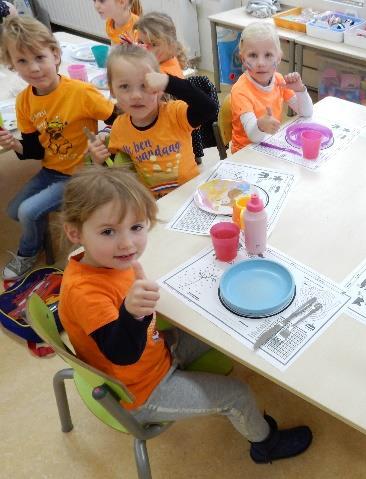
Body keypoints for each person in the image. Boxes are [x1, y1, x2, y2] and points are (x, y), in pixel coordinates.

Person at [59, 166, 313, 463]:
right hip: (143, 390)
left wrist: (143, 321)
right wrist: (132, 314)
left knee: (221, 328)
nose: (127, 243)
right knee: (237, 395)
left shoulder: (106, 261)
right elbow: (122, 353)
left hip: (156, 350)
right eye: (108, 232)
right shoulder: (85, 292)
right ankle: (265, 445)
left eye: (137, 228)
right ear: (74, 232)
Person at [0, 16, 116, 280]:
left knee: (27, 211)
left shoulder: (81, 92)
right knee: (13, 211)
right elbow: (34, 150)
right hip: (51, 170)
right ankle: (38, 237)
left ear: (55, 54)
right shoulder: (24, 101)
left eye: (40, 57)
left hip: (80, 175)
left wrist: (106, 145)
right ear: (12, 65)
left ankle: (27, 253)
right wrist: (14, 143)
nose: (34, 68)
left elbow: (118, 118)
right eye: (22, 61)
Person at [87, 44, 213, 199]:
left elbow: (209, 108)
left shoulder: (174, 114)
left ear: (159, 88)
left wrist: (169, 82)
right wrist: (98, 162)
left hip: (190, 196)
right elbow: (116, 176)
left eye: (144, 85)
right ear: (113, 91)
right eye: (124, 86)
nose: (136, 95)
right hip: (153, 206)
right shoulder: (119, 127)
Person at [230, 22, 313, 153]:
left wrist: (300, 90)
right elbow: (253, 136)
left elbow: (306, 113)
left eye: (268, 55)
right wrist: (261, 125)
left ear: (279, 58)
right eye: (252, 55)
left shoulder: (278, 80)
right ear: (242, 59)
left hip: (271, 145)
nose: (261, 63)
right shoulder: (241, 90)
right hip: (246, 153)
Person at [134, 12, 187, 78]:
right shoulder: (168, 59)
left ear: (171, 46)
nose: (145, 49)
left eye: (153, 44)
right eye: (141, 42)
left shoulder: (160, 76)